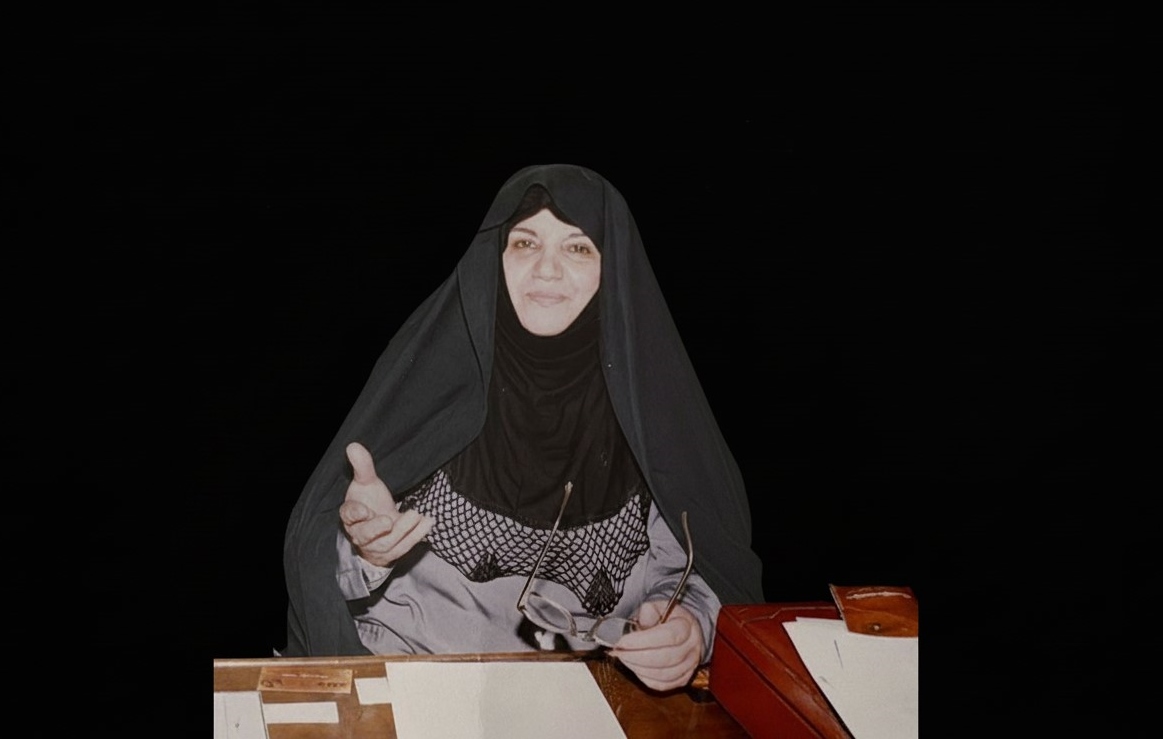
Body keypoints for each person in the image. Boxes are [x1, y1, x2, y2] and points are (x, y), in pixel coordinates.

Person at [282, 164, 764, 691]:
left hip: (585, 698)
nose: (547, 269)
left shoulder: (648, 409)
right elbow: (319, 564)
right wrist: (364, 549)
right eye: (525, 242)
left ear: (613, 269)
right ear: (496, 258)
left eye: (578, 247)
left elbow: (694, 570)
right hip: (409, 685)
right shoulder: (435, 385)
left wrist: (689, 628)